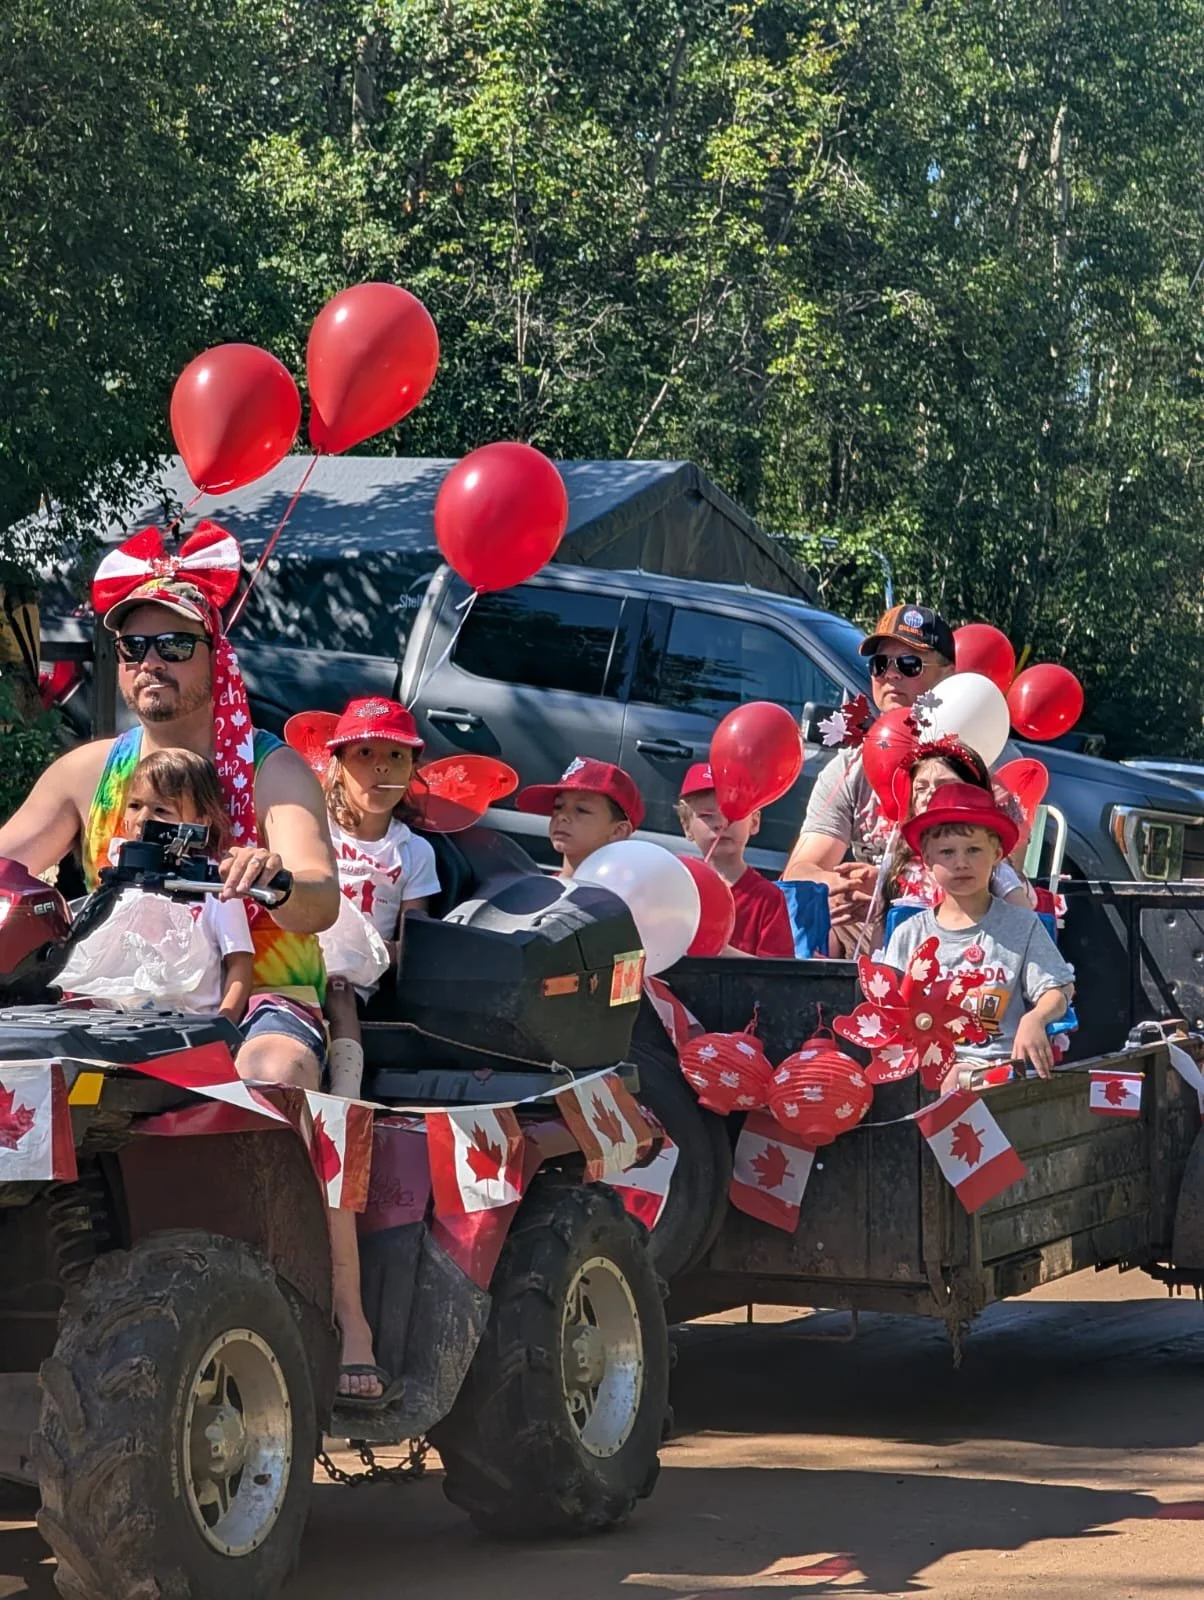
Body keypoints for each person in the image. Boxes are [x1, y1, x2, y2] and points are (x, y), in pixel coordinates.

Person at [0, 527, 364, 1375]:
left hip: (254, 996)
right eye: (133, 644)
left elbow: (319, 897)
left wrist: (271, 878)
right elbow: (8, 859)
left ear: (214, 656)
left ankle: (311, 1302)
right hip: (112, 1000)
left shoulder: (270, 771)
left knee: (274, 1070)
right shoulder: (89, 771)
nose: (149, 660)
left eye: (174, 642)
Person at [781, 602, 1019, 954]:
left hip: (958, 945)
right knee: (824, 921)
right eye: (880, 664)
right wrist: (836, 884)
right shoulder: (851, 768)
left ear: (947, 675)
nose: (891, 675)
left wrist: (891, 893)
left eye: (910, 664)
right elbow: (799, 870)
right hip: (872, 946)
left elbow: (1000, 887)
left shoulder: (980, 765)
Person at [883, 782, 1074, 1084]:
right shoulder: (910, 934)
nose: (961, 863)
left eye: (973, 850)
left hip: (1002, 1071)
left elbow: (1059, 989)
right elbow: (887, 1008)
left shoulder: (1022, 925)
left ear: (997, 854)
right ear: (928, 861)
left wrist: (1034, 1018)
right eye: (947, 852)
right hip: (926, 1072)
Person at [57, 748, 254, 1023]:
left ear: (200, 822)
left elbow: (240, 964)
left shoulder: (213, 886)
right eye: (135, 806)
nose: (143, 819)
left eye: (161, 810)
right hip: (115, 1022)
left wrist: (224, 1024)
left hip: (187, 1025)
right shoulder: (117, 877)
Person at [885, 739, 1033, 914]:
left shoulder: (992, 871)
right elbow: (883, 933)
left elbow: (1027, 926)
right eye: (921, 788)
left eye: (945, 785)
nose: (930, 794)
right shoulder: (900, 866)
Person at [675, 763, 794, 957]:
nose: (721, 824)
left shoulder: (767, 899)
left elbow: (776, 975)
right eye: (706, 816)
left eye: (733, 813)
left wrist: (717, 949)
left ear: (754, 822)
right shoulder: (677, 886)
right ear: (687, 826)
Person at [515, 757, 643, 877]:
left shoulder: (626, 897)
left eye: (581, 810)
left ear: (618, 831)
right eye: (558, 807)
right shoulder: (540, 890)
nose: (562, 816)